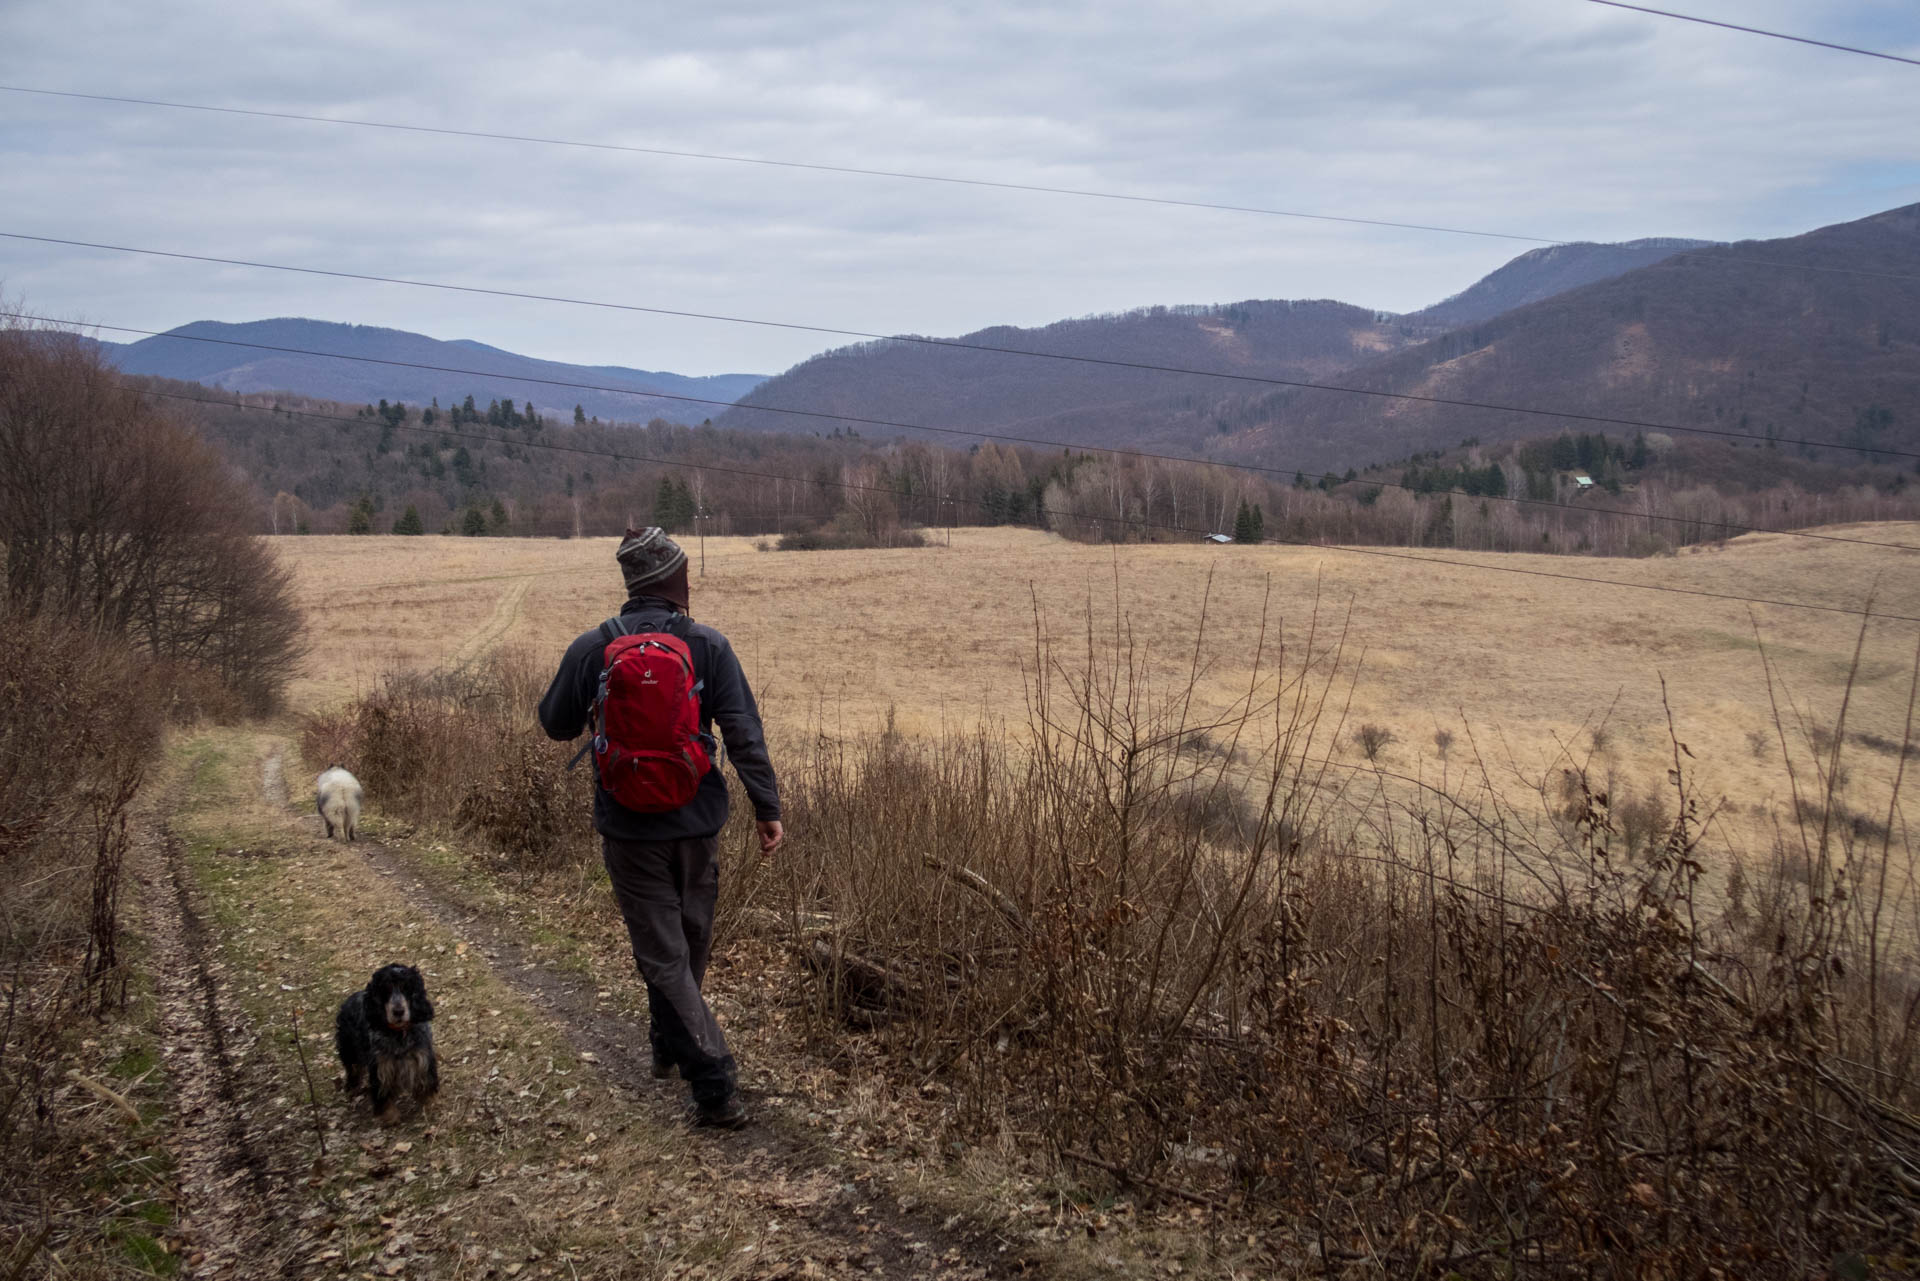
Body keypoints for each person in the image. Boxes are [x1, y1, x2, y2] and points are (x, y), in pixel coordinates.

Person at [538, 526, 782, 1128]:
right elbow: (743, 733)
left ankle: (671, 1042)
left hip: (627, 827)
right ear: (675, 581)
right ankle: (714, 1079)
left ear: (631, 585)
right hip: (698, 823)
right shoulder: (707, 645)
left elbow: (554, 724)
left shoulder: (593, 647)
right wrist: (766, 807)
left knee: (665, 951)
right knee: (686, 944)